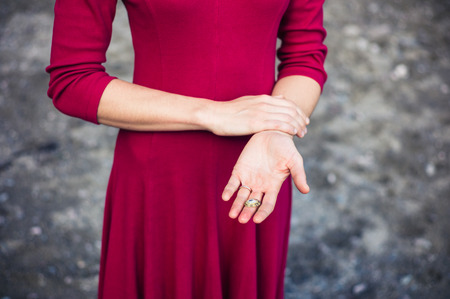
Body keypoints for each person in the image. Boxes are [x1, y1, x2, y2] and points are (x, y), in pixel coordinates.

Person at [46, 0, 327, 298]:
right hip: (161, 178)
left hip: (261, 168)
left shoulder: (267, 154)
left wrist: (276, 129)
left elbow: (304, 55)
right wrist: (212, 113)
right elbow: (72, 79)